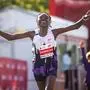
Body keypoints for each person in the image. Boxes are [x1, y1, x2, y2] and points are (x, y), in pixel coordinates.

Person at [0, 11, 90, 90]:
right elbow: (10, 37)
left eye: (46, 18)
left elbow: (75, 27)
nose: (43, 19)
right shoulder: (32, 34)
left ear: (49, 21)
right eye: (41, 18)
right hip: (38, 67)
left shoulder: (54, 32)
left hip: (51, 66)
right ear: (37, 21)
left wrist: (83, 19)